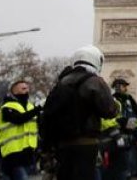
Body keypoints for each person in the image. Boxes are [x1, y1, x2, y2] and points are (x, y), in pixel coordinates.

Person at [39, 46, 119, 180]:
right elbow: (109, 111)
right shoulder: (94, 82)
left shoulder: (61, 83)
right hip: (86, 142)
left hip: (62, 143)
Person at [0, 80, 42, 179]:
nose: (27, 90)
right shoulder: (7, 106)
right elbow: (18, 119)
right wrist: (37, 110)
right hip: (12, 154)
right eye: (23, 88)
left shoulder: (31, 107)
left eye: (27, 88)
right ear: (15, 91)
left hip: (28, 154)